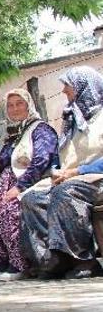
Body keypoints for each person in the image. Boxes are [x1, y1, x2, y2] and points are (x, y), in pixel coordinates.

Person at [22, 66, 103, 279]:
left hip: (96, 177)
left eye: (68, 85)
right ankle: (55, 259)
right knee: (32, 198)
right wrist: (58, 172)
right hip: (74, 178)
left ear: (84, 86)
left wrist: (76, 171)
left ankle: (83, 259)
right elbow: (63, 157)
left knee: (66, 192)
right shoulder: (72, 120)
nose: (64, 91)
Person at [0, 89, 58, 282]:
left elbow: (41, 161)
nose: (14, 108)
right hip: (4, 188)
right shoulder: (10, 136)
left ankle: (19, 265)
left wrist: (19, 187)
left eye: (19, 103)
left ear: (29, 105)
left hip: (32, 184)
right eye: (10, 105)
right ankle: (0, 263)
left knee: (8, 212)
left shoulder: (41, 129)